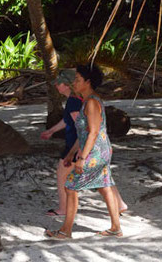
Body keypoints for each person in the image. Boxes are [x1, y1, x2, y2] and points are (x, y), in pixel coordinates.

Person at [45, 64, 122, 239]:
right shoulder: (86, 101)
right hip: (99, 150)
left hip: (95, 153)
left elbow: (93, 132)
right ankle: (116, 227)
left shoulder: (92, 102)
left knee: (71, 187)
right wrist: (72, 153)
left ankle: (65, 231)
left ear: (88, 82)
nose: (74, 82)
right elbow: (84, 132)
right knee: (105, 186)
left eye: (78, 79)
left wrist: (81, 158)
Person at [40, 70, 82, 216]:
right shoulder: (75, 99)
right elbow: (67, 120)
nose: (57, 86)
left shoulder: (73, 101)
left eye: (59, 83)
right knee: (102, 180)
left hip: (75, 146)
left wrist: (75, 151)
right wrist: (51, 130)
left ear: (67, 85)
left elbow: (81, 126)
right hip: (82, 145)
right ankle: (120, 206)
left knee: (62, 176)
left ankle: (64, 209)